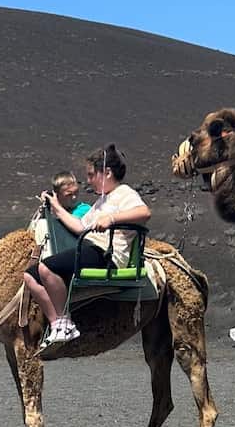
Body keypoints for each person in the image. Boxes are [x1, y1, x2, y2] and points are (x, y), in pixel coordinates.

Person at [24, 144, 150, 349]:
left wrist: (112, 218)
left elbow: (144, 213)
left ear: (107, 172)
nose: (89, 181)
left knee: (47, 268)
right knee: (30, 275)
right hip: (90, 247)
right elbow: (80, 226)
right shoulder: (101, 201)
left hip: (106, 254)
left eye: (92, 175)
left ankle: (66, 323)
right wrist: (56, 206)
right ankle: (57, 324)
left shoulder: (124, 193)